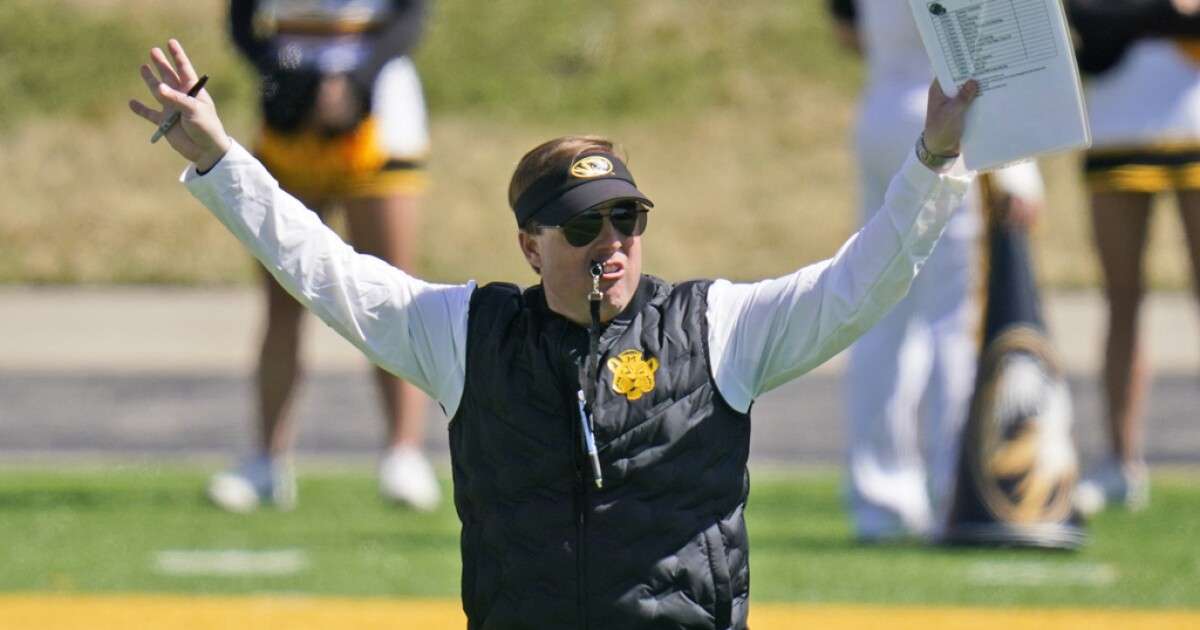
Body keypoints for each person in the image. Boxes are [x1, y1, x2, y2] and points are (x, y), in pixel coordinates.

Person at [131, 38, 978, 629]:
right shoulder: (466, 335)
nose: (611, 243)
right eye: (582, 226)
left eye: (627, 219)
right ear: (530, 247)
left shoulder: (718, 327)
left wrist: (932, 162)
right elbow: (324, 269)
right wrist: (221, 163)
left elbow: (860, 285)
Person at [207, 0, 440, 513]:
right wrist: (286, 73)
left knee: (392, 292)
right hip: (289, 110)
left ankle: (404, 452)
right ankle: (266, 459)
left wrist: (356, 78)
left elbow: (412, 16)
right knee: (282, 294)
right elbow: (242, 20)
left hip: (380, 107)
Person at [828, 0, 1045, 541]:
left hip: (884, 102)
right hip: (944, 113)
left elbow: (845, 29)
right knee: (953, 318)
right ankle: (956, 486)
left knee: (880, 311)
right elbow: (982, 38)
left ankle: (880, 499)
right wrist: (1019, 165)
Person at [1066, 0, 1200, 514]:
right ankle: (1120, 461)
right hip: (1116, 125)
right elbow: (1082, 18)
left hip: (1192, 119)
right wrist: (1161, 13)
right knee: (1121, 299)